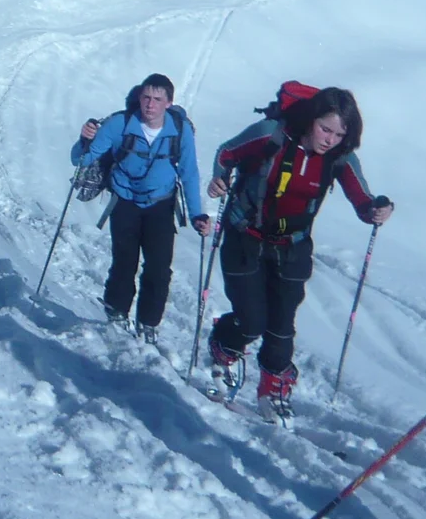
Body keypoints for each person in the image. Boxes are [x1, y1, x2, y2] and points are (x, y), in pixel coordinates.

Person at [205, 86, 393, 425]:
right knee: (252, 320)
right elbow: (226, 154)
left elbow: (361, 198)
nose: (331, 139)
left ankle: (274, 388)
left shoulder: (340, 157)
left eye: (340, 133)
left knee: (282, 325)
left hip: (293, 246)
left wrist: (376, 210)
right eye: (326, 129)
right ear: (311, 119)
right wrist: (220, 179)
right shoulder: (269, 136)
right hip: (245, 236)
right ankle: (224, 344)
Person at [71, 74, 213, 343]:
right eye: (146, 97)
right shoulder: (118, 125)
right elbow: (81, 159)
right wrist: (84, 140)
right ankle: (116, 311)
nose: (150, 104)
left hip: (161, 205)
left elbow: (189, 173)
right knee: (125, 261)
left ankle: (149, 322)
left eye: (157, 99)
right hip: (124, 202)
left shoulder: (179, 130)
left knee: (159, 268)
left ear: (168, 103)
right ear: (139, 98)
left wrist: (197, 215)